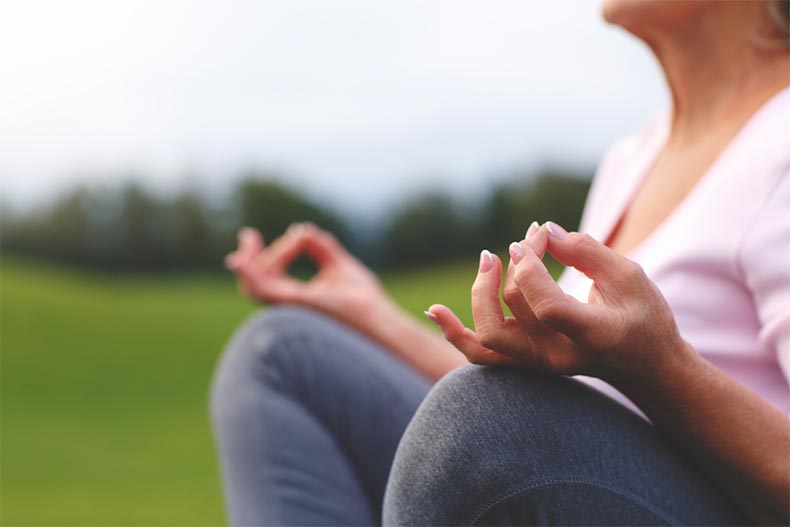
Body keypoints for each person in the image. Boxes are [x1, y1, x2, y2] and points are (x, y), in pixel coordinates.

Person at [211, 1, 790, 525]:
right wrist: (370, 313)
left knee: (482, 422)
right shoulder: (636, 156)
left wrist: (658, 367)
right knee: (283, 355)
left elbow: (524, 431)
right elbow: (554, 420)